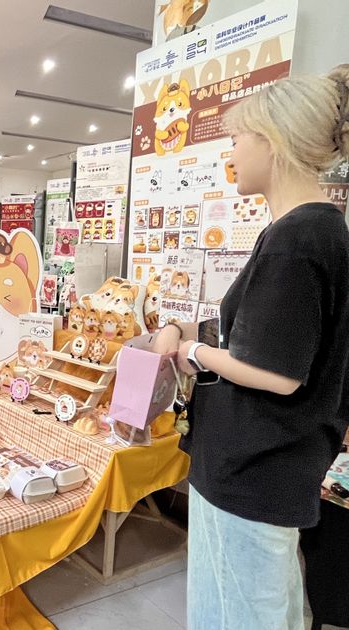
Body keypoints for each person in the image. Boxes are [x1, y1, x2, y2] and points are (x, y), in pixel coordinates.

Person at [152, 65, 349, 630]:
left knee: (240, 611)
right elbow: (267, 341)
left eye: (238, 138)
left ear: (273, 141)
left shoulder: (297, 239)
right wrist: (190, 333)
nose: (231, 152)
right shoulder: (315, 232)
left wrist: (194, 354)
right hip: (265, 468)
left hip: (254, 471)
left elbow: (275, 373)